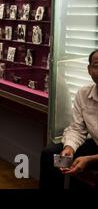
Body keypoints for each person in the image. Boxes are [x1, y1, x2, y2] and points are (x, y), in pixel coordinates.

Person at [39, 49, 98, 189]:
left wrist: (90, 159)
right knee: (51, 155)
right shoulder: (84, 93)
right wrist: (69, 147)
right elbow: (77, 128)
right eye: (97, 65)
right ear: (89, 70)